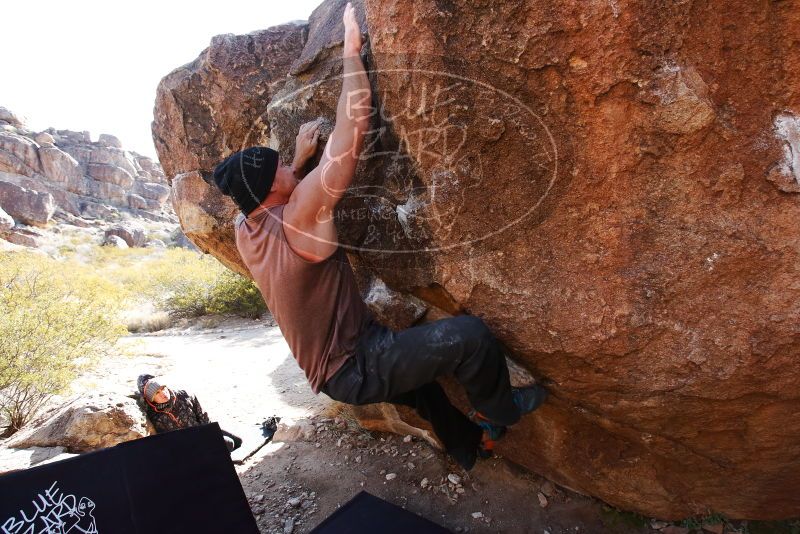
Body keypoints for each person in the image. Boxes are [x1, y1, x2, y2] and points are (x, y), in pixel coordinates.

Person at [210, 3, 546, 470]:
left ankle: (468, 447)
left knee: (422, 386)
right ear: (272, 191)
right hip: (356, 365)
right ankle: (499, 410)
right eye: (283, 169)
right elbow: (352, 129)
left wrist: (296, 160)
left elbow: (275, 194)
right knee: (470, 337)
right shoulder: (300, 216)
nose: (291, 167)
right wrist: (352, 49)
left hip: (333, 370)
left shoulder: (245, 226)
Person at [136, 374, 242, 453]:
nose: (163, 393)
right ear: (151, 399)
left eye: (162, 388)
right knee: (228, 444)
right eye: (157, 393)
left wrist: (210, 434)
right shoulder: (153, 415)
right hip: (187, 444)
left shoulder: (184, 395)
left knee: (238, 441)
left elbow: (203, 418)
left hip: (202, 430)